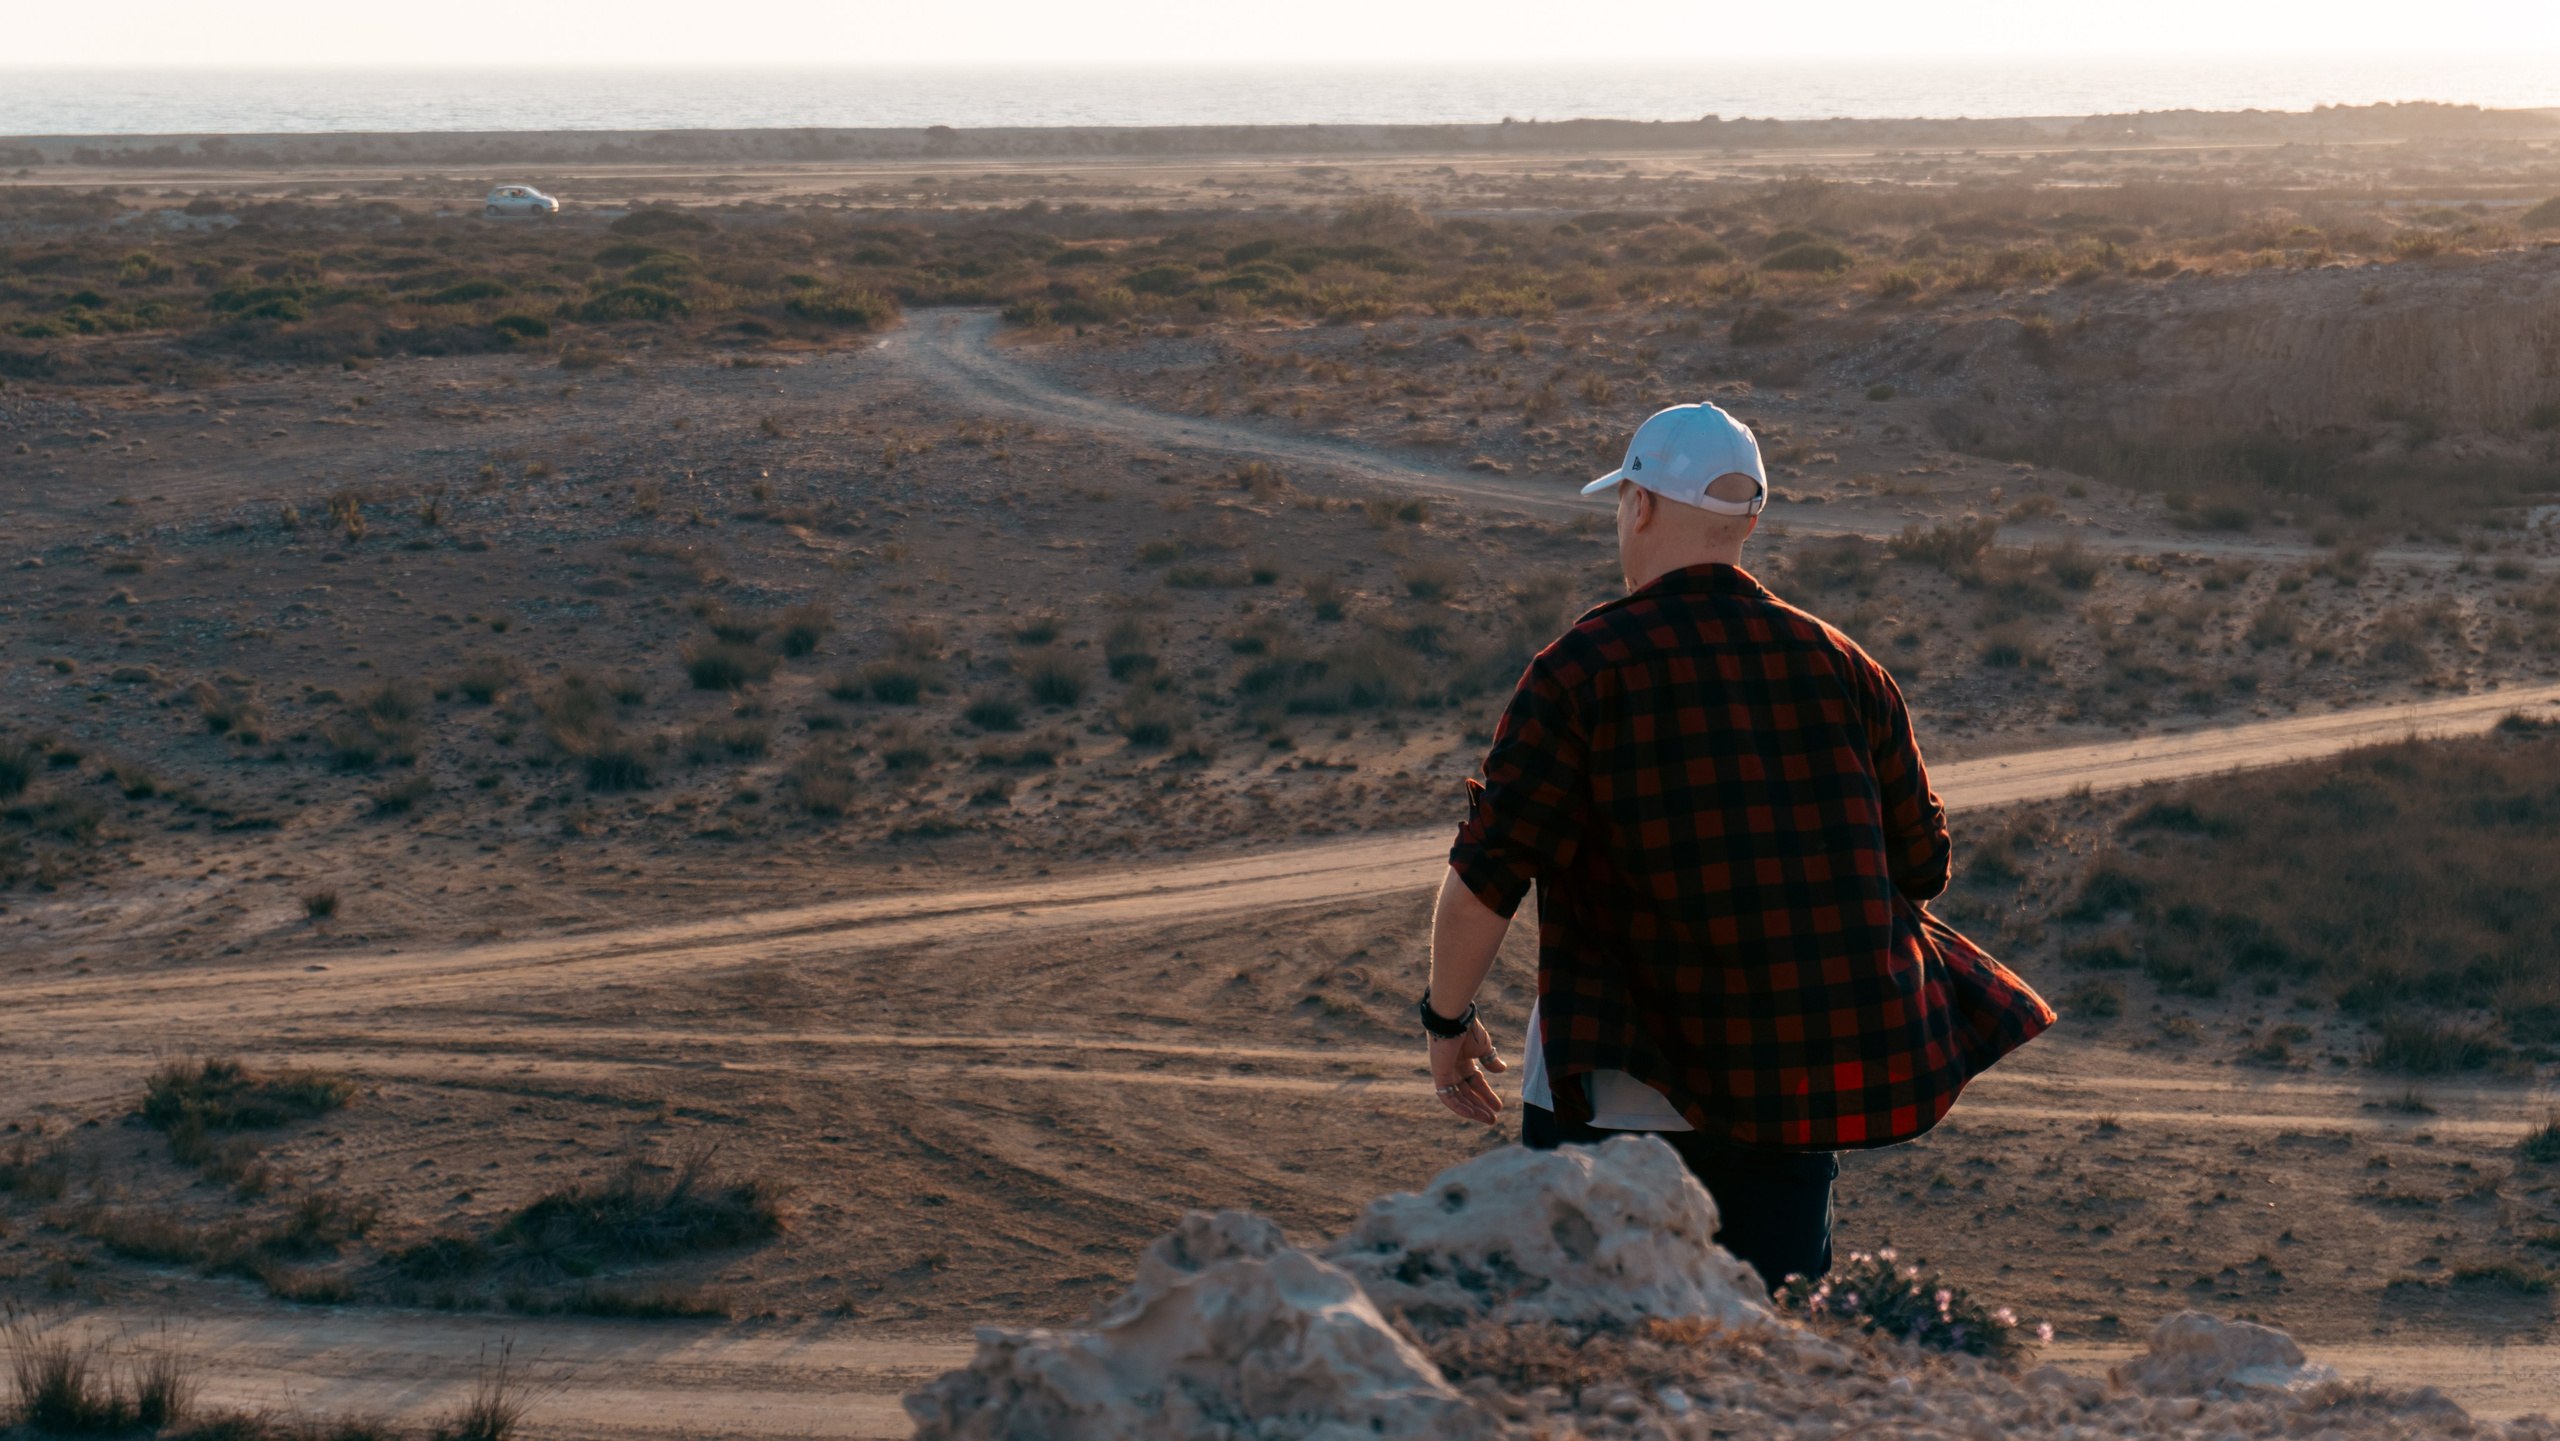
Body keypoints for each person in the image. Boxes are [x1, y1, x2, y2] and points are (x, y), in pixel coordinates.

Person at [1415, 401, 2053, 1293]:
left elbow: (1488, 875)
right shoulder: (1848, 667)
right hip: (1792, 1095)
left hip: (1612, 1095)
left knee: (1602, 1364)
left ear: (1637, 505)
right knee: (1769, 1358)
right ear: (1749, 520)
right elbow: (1925, 867)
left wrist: (1447, 1020)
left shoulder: (1579, 669)